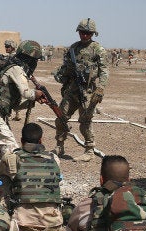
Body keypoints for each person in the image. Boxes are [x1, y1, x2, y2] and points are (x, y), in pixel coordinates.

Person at [0, 40, 44, 168]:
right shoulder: (17, 69)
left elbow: (12, 103)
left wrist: (33, 100)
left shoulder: (9, 66)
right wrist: (37, 94)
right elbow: (26, 92)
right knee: (13, 153)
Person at [53, 18, 109, 161]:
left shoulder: (98, 50)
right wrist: (60, 75)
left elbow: (104, 71)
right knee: (61, 117)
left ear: (93, 34)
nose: (84, 35)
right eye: (82, 32)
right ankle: (60, 146)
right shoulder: (73, 48)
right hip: (72, 90)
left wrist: (101, 88)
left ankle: (89, 150)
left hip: (88, 91)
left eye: (88, 33)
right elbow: (66, 68)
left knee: (85, 122)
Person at [0, 123, 62, 231]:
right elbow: (59, 179)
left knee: (1, 179)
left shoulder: (11, 158)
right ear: (40, 140)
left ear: (21, 140)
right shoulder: (53, 158)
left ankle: (2, 212)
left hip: (22, 228)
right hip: (53, 228)